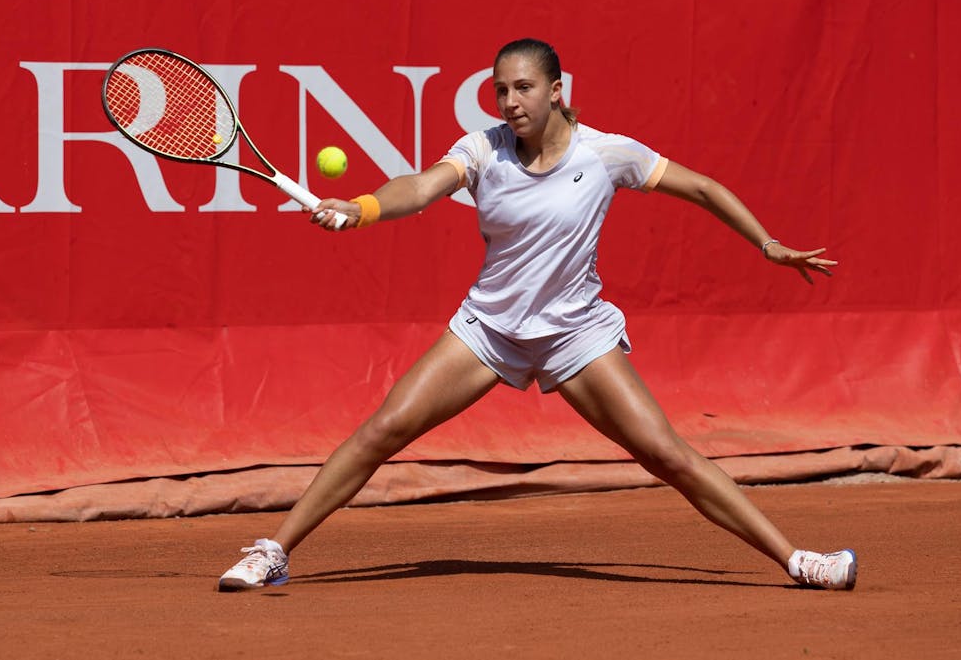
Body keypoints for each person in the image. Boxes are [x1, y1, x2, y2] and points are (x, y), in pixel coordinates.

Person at [217, 38, 855, 592]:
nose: (510, 101)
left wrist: (764, 242)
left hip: (575, 334)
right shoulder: (482, 150)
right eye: (500, 90)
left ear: (557, 90)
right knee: (385, 429)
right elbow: (419, 185)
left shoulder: (606, 154)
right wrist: (362, 207)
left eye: (524, 87)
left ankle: (799, 559)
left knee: (667, 454)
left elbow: (704, 188)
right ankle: (273, 552)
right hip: (489, 328)